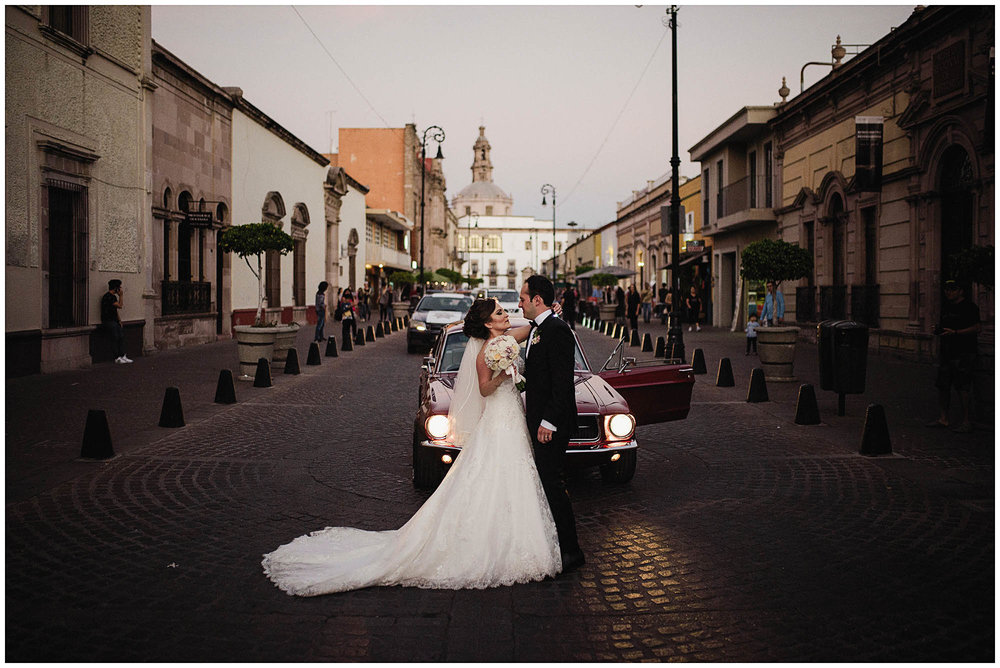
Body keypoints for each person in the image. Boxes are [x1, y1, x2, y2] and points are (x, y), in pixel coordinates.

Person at [261, 296, 562, 595]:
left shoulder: (509, 337)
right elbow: (483, 389)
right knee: (491, 472)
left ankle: (512, 533)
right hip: (498, 417)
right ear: (487, 322)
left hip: (511, 416)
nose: (507, 315)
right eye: (500, 312)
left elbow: (534, 328)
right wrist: (503, 371)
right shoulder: (484, 352)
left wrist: (548, 314)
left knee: (514, 474)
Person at [519, 275, 585, 573]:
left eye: (523, 298)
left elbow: (562, 384)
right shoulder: (538, 329)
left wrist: (548, 421)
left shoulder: (557, 331)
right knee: (546, 484)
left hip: (551, 425)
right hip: (539, 422)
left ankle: (571, 551)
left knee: (554, 485)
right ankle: (556, 544)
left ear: (537, 300)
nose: (519, 304)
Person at [927, 280, 981, 433]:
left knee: (963, 387)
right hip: (947, 352)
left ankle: (966, 420)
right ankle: (943, 418)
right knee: (943, 386)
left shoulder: (970, 307)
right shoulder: (946, 308)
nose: (948, 292)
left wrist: (956, 333)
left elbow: (977, 328)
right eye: (947, 289)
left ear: (961, 291)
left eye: (952, 289)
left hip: (964, 352)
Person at [101, 279, 132, 364]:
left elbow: (115, 311)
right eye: (119, 287)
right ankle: (117, 357)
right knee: (115, 338)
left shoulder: (113, 297)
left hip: (114, 321)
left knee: (121, 337)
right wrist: (121, 296)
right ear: (116, 288)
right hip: (109, 321)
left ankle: (122, 355)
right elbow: (120, 306)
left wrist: (120, 321)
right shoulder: (108, 297)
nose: (121, 289)